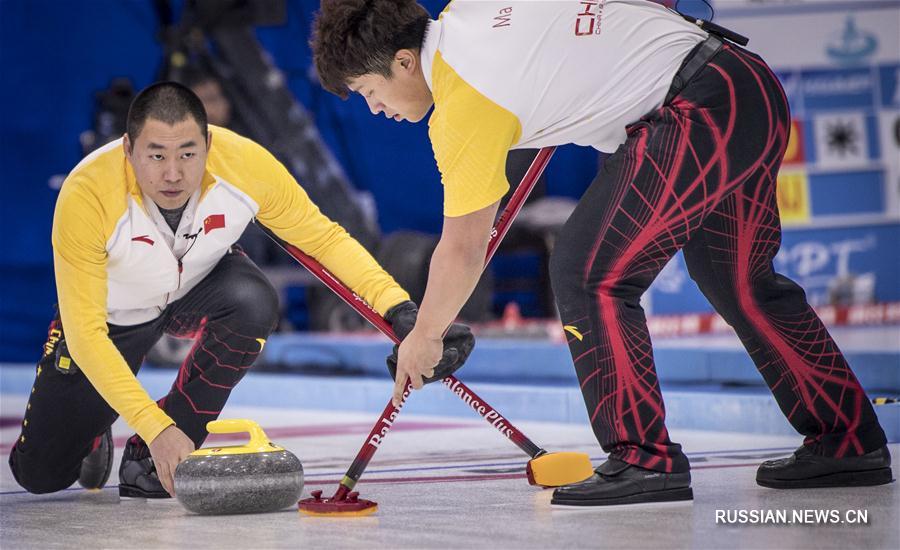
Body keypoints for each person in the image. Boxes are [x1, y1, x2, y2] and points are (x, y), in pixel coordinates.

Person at [310, 0, 891, 506]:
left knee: (588, 273)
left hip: (694, 109)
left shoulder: (463, 105)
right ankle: (846, 440)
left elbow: (463, 248)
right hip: (746, 84)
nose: (375, 109)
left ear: (405, 61)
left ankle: (644, 458)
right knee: (737, 280)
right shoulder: (475, 9)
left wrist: (427, 334)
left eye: (368, 90)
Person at [8, 81, 473, 498]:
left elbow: (323, 239)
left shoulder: (245, 164)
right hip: (113, 317)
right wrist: (152, 425)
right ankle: (97, 431)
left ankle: (158, 456)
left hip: (198, 286)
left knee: (254, 301)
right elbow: (86, 332)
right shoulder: (87, 193)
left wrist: (401, 310)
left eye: (188, 153)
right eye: (156, 155)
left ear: (209, 144)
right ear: (128, 148)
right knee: (40, 476)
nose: (173, 174)